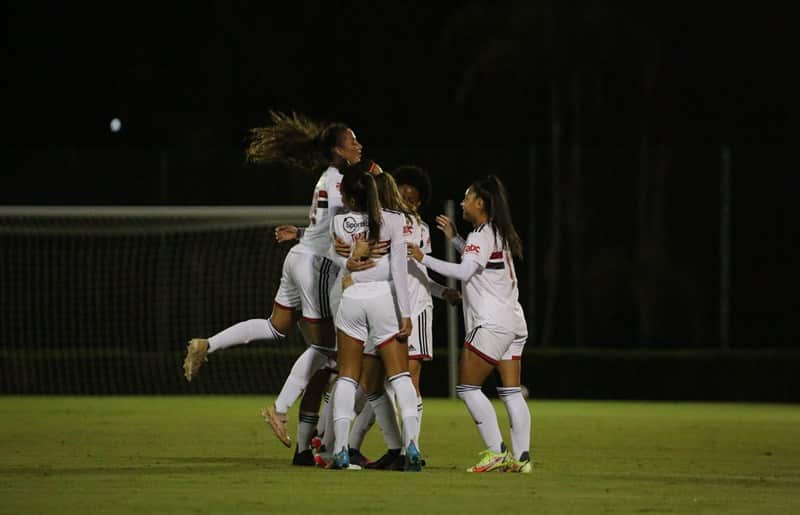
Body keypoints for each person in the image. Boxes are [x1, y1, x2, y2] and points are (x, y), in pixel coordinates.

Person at [182, 111, 363, 464]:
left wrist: (300, 232)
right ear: (339, 150)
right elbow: (343, 228)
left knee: (275, 326)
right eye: (353, 141)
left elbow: (324, 225)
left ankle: (208, 344)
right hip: (316, 267)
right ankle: (280, 410)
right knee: (327, 350)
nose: (360, 145)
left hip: (297, 257)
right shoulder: (340, 182)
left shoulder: (327, 177)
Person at [408, 175, 532, 473]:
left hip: (491, 323)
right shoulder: (496, 231)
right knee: (511, 392)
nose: (462, 203)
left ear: (480, 203)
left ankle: (496, 452)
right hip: (513, 320)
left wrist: (423, 257)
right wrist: (453, 238)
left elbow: (465, 272)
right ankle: (522, 458)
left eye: (466, 197)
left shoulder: (481, 234)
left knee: (467, 388)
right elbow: (478, 263)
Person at [328, 170, 421, 471]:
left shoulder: (339, 221)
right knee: (400, 376)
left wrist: (350, 258)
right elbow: (398, 269)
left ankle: (341, 450)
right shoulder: (394, 219)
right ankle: (411, 445)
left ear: (351, 197)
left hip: (352, 297)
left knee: (347, 376)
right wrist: (406, 314)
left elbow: (338, 257)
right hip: (384, 300)